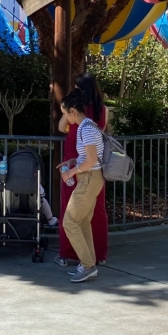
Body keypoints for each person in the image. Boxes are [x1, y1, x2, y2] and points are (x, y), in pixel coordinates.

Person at [56, 72, 108, 267]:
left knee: (71, 213)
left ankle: (71, 254)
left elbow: (62, 127)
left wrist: (67, 107)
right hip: (93, 164)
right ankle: (98, 255)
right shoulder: (101, 110)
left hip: (78, 161)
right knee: (94, 211)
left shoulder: (76, 113)